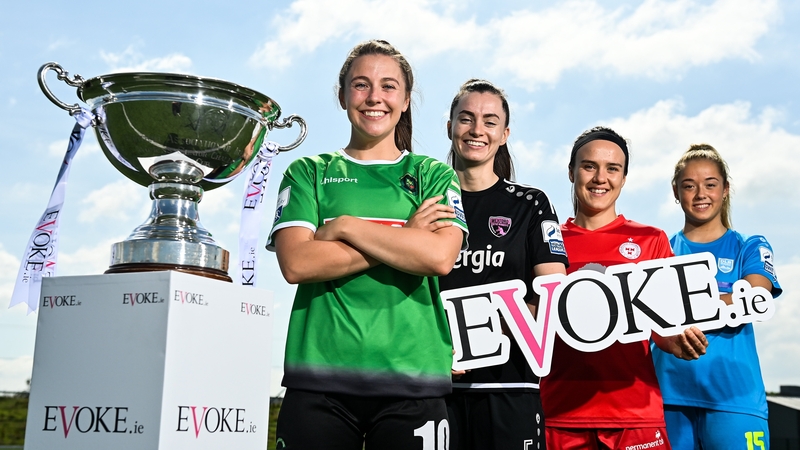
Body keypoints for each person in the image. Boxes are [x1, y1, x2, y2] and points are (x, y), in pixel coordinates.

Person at [266, 39, 468, 450]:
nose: (375, 97)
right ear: (342, 96)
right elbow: (298, 264)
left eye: (389, 86)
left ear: (407, 99)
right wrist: (404, 236)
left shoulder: (432, 175)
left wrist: (344, 225)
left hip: (414, 381)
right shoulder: (309, 172)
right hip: (319, 379)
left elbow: (439, 256)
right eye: (361, 85)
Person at [539, 126, 708, 450]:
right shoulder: (545, 240)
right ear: (571, 172)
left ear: (624, 178)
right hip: (559, 414)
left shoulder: (651, 239)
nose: (600, 178)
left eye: (612, 168)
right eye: (589, 166)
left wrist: (679, 340)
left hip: (635, 416)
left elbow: (666, 326)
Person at [437, 79, 568, 450]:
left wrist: (469, 337)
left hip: (510, 390)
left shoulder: (530, 204)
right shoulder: (423, 204)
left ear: (505, 134)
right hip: (434, 391)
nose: (477, 129)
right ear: (450, 128)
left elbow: (551, 295)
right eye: (466, 119)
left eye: (490, 121)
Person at [651, 144, 782, 450]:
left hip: (735, 398)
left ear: (725, 189)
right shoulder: (659, 251)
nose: (700, 194)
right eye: (689, 185)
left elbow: (755, 297)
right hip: (667, 397)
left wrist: (678, 306)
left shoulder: (750, 246)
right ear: (675, 191)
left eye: (710, 184)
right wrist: (723, 300)